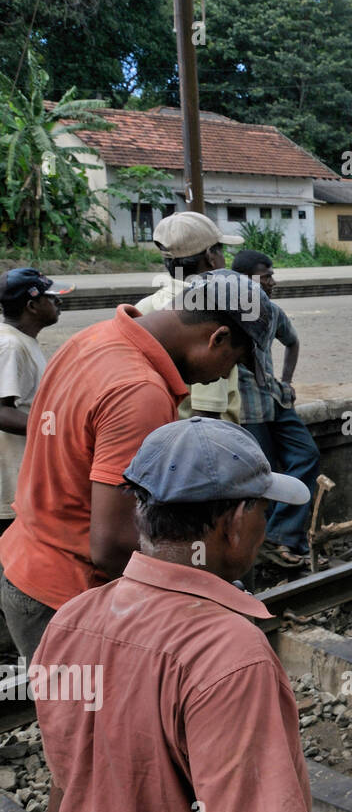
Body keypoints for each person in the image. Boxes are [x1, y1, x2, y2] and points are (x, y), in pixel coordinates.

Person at [34, 417, 312, 812]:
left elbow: (68, 776)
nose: (264, 525)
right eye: (263, 508)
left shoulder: (71, 619)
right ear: (235, 522)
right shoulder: (230, 656)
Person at [0, 271, 265, 660]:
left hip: (27, 563)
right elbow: (112, 545)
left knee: (70, 718)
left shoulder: (93, 337)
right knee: (107, 719)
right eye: (234, 362)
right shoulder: (140, 392)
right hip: (75, 595)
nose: (225, 375)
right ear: (218, 338)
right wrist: (202, 592)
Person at [229, 249, 319, 568]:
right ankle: (267, 544)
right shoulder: (228, 313)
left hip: (275, 399)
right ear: (244, 280)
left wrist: (287, 380)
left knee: (306, 454)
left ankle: (282, 532)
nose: (272, 281)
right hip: (246, 407)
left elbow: (292, 341)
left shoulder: (271, 311)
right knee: (262, 472)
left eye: (271, 274)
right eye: (266, 276)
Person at [136, 211, 246, 424]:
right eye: (221, 251)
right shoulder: (213, 311)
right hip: (207, 441)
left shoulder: (145, 307)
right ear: (210, 257)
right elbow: (207, 412)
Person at [0, 271, 69, 531]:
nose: (58, 303)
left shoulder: (21, 341)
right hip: (11, 481)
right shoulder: (10, 346)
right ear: (32, 306)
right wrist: (58, 432)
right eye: (52, 298)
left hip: (22, 475)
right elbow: (2, 413)